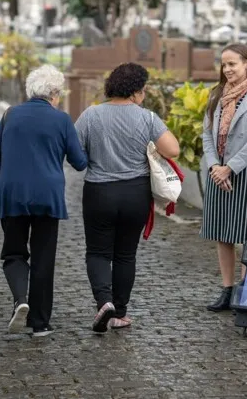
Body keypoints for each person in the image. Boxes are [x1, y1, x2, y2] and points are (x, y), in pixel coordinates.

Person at [75, 63, 180, 333]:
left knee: (98, 252)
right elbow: (173, 149)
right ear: (134, 91)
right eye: (143, 90)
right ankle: (119, 312)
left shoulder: (91, 115)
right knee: (125, 255)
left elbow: (75, 153)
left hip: (99, 192)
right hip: (135, 193)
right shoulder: (147, 118)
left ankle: (103, 302)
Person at [0, 65, 88, 337]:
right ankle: (40, 322)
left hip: (12, 193)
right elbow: (79, 163)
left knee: (14, 252)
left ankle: (21, 299)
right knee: (44, 258)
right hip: (48, 194)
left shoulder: (10, 115)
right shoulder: (62, 120)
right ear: (55, 93)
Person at [201, 43, 247, 312]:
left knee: (246, 232)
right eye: (224, 64)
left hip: (246, 171)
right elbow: (207, 134)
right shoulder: (216, 95)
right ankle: (227, 289)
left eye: (233, 64)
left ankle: (244, 290)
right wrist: (214, 168)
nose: (227, 69)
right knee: (222, 233)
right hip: (217, 171)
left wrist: (230, 167)